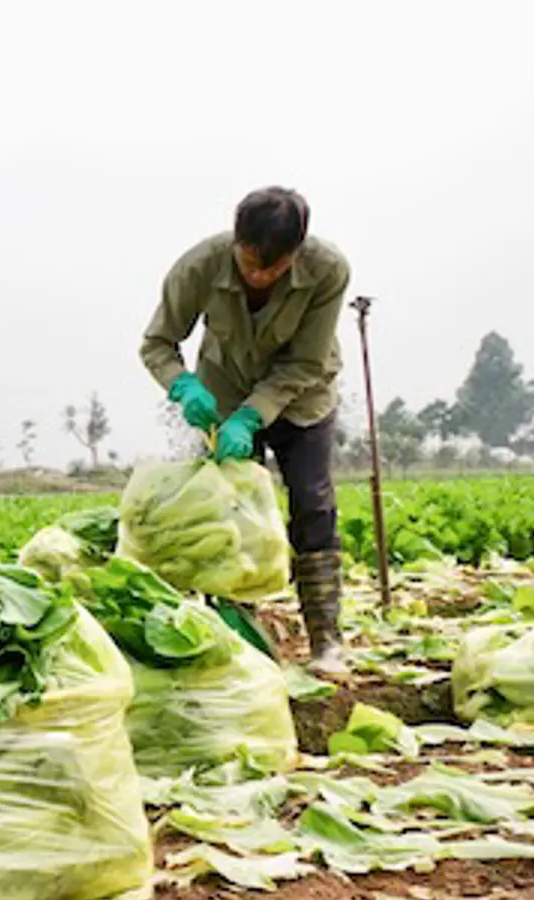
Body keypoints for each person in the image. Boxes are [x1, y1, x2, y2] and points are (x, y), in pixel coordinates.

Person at [140, 187, 352, 674]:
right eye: (250, 262)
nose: (258, 276)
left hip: (302, 397)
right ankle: (241, 639)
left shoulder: (328, 270)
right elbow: (157, 343)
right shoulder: (197, 268)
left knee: (313, 503)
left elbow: (305, 361)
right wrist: (184, 387)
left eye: (272, 269)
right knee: (227, 515)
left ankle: (327, 641)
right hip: (223, 395)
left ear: (296, 254)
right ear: (237, 241)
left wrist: (255, 415)